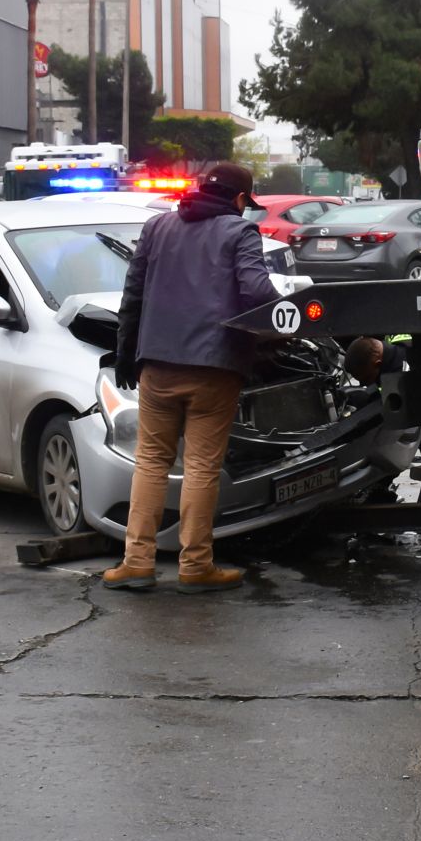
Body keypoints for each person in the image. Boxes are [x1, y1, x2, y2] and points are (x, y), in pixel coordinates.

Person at [103, 163, 279, 592]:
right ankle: (196, 565)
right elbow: (257, 292)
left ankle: (136, 563)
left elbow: (133, 294)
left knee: (150, 461)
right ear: (240, 199)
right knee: (201, 466)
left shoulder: (157, 227)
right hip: (214, 368)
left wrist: (126, 353)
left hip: (157, 364)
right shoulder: (240, 232)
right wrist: (285, 327)